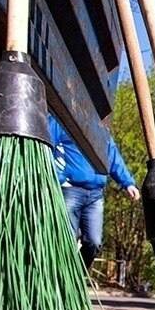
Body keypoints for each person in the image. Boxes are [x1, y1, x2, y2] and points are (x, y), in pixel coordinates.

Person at [48, 115, 140, 269]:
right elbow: (46, 146)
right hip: (70, 190)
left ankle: (77, 274)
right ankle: (60, 275)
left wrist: (128, 183)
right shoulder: (61, 120)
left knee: (94, 242)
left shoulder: (101, 129)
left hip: (95, 195)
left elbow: (113, 157)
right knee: (66, 240)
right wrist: (58, 177)